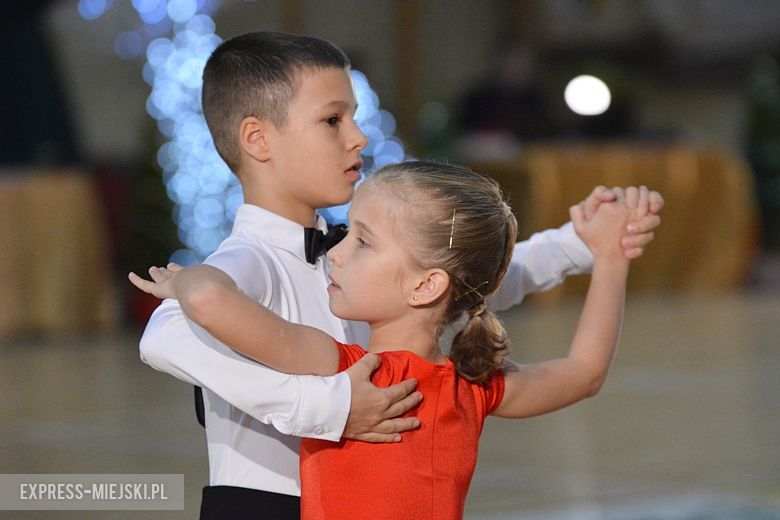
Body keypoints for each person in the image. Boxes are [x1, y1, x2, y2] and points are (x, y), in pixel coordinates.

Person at [137, 31, 663, 519]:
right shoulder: (248, 260)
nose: (359, 138)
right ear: (258, 139)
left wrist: (580, 246)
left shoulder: (355, 249)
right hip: (265, 504)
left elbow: (455, 280)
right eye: (332, 120)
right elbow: (165, 336)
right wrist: (331, 406)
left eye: (354, 117)